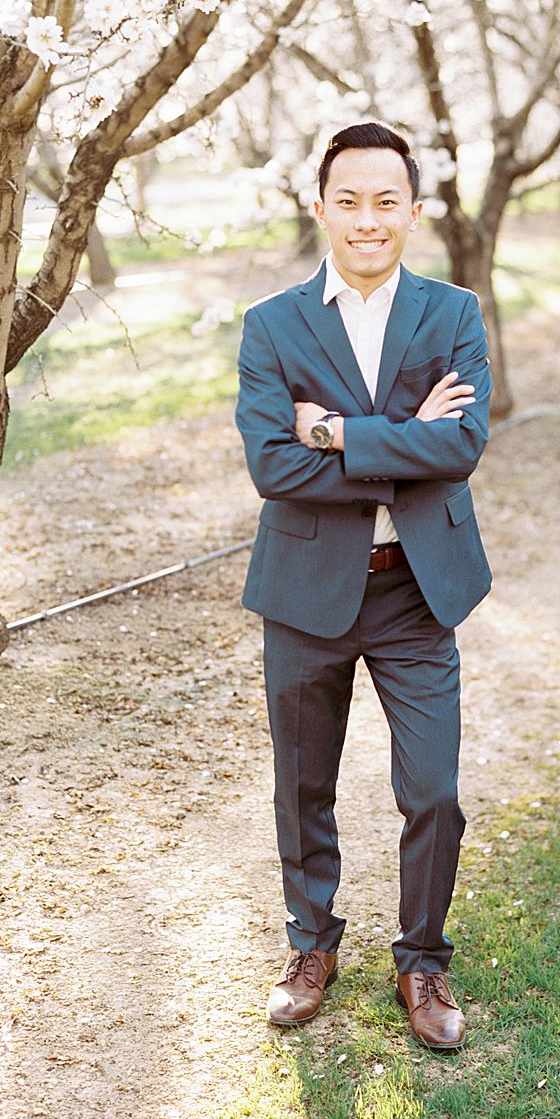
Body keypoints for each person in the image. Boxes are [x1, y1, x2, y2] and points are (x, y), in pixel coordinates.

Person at [234, 121, 494, 1052]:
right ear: (320, 208)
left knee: (435, 791)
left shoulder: (453, 313)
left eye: (387, 201)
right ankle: (311, 946)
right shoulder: (272, 325)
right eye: (349, 200)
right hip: (306, 588)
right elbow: (273, 466)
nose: (367, 219)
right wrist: (402, 438)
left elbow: (461, 446)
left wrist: (338, 432)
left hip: (416, 590)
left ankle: (423, 959)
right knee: (302, 784)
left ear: (414, 212)